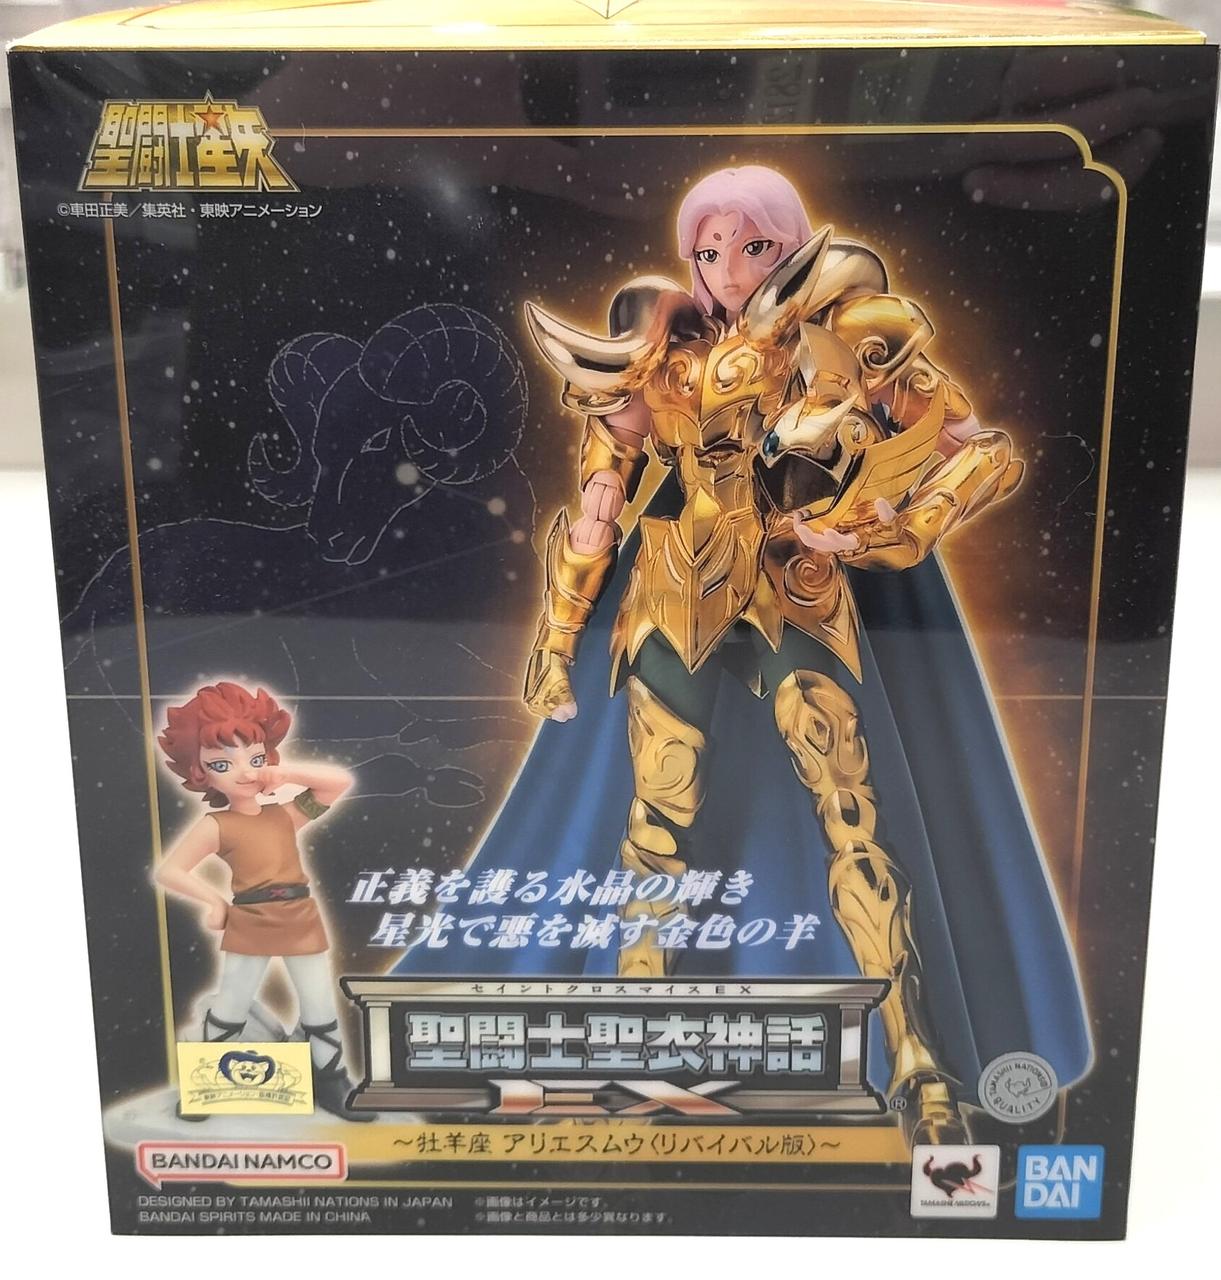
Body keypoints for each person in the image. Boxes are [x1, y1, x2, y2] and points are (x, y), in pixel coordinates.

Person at [397, 165, 1092, 1147]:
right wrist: (563, 619)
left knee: (851, 816)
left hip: (796, 583)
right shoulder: (662, 347)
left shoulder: (854, 336)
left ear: (791, 244)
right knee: (654, 822)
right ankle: (634, 1041)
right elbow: (603, 480)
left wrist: (904, 525)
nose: (728, 269)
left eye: (753, 246)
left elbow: (981, 449)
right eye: (709, 250)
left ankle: (916, 1062)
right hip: (673, 592)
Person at [156, 680, 370, 1121]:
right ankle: (208, 1082)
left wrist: (286, 774)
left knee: (318, 1002)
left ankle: (329, 1078)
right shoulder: (216, 824)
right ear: (200, 772)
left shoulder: (284, 814)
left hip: (299, 914)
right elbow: (170, 871)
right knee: (231, 1003)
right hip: (250, 916)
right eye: (222, 763)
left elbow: (339, 783)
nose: (244, 772)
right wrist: (214, 902)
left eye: (254, 758)